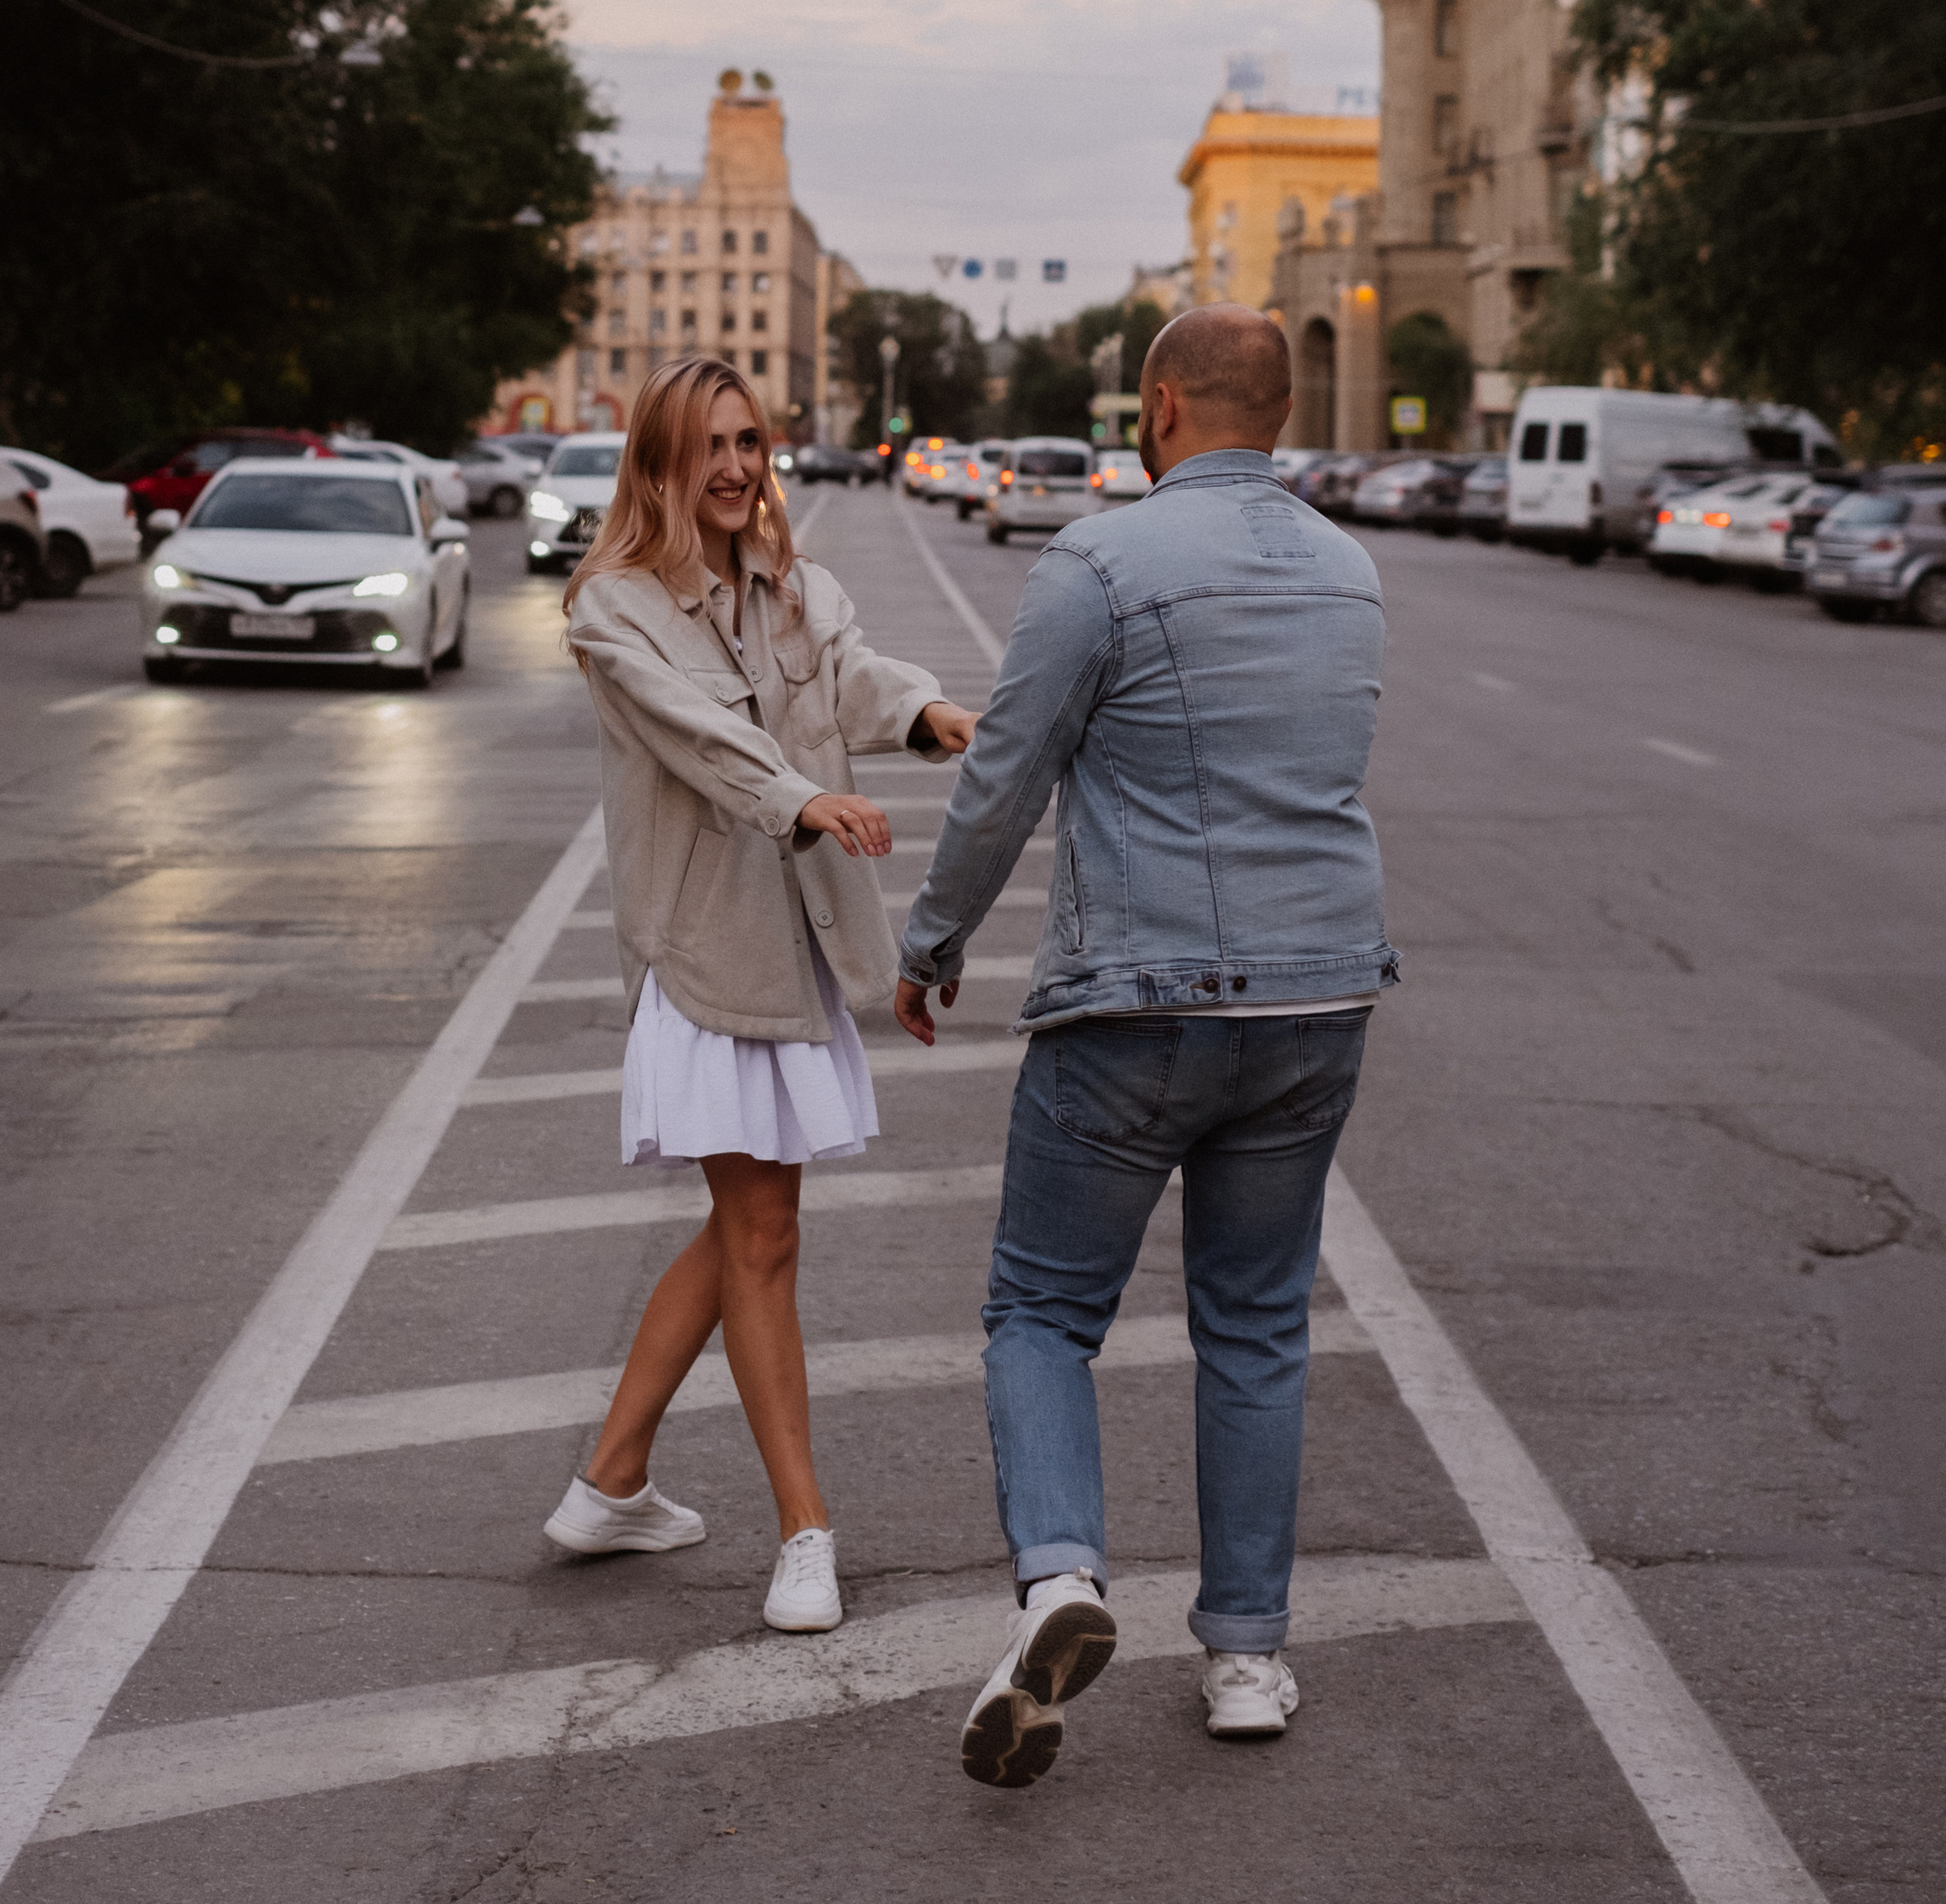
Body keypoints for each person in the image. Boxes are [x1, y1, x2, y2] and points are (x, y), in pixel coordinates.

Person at [895, 304, 1398, 1784]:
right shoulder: (1354, 573)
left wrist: (931, 941)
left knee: (1043, 1313)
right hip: (1318, 1006)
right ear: (1282, 414)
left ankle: (1060, 1583)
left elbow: (1004, 779)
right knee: (1256, 1327)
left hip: (1138, 1005)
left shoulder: (1100, 564)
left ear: (1161, 405)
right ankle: (1246, 1654)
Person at [545, 354, 979, 1635]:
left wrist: (930, 712)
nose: (735, 468)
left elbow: (848, 676)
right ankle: (804, 1532)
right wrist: (802, 796)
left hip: (791, 946)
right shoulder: (611, 608)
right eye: (708, 448)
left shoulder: (798, 586)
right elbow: (697, 731)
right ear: (660, 464)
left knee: (747, 1225)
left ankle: (613, 1477)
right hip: (703, 952)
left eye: (749, 442)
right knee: (764, 1233)